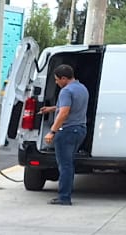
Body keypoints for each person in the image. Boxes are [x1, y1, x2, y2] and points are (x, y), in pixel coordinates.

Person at [39, 65, 88, 206]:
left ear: (64, 78)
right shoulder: (82, 88)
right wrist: (52, 108)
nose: (56, 82)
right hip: (80, 130)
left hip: (66, 131)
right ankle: (65, 193)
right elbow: (70, 107)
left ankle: (64, 197)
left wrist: (52, 131)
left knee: (65, 165)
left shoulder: (66, 91)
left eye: (57, 80)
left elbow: (65, 112)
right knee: (69, 164)